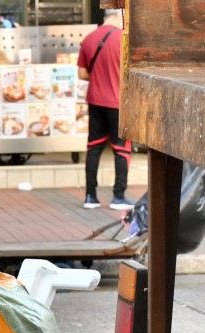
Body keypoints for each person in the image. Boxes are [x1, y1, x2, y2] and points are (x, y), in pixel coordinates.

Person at [78, 9, 132, 210]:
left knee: (94, 147)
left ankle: (90, 196)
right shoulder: (124, 40)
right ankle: (119, 197)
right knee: (122, 148)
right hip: (118, 102)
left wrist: (100, 77)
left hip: (95, 100)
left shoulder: (90, 38)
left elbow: (83, 73)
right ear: (120, 17)